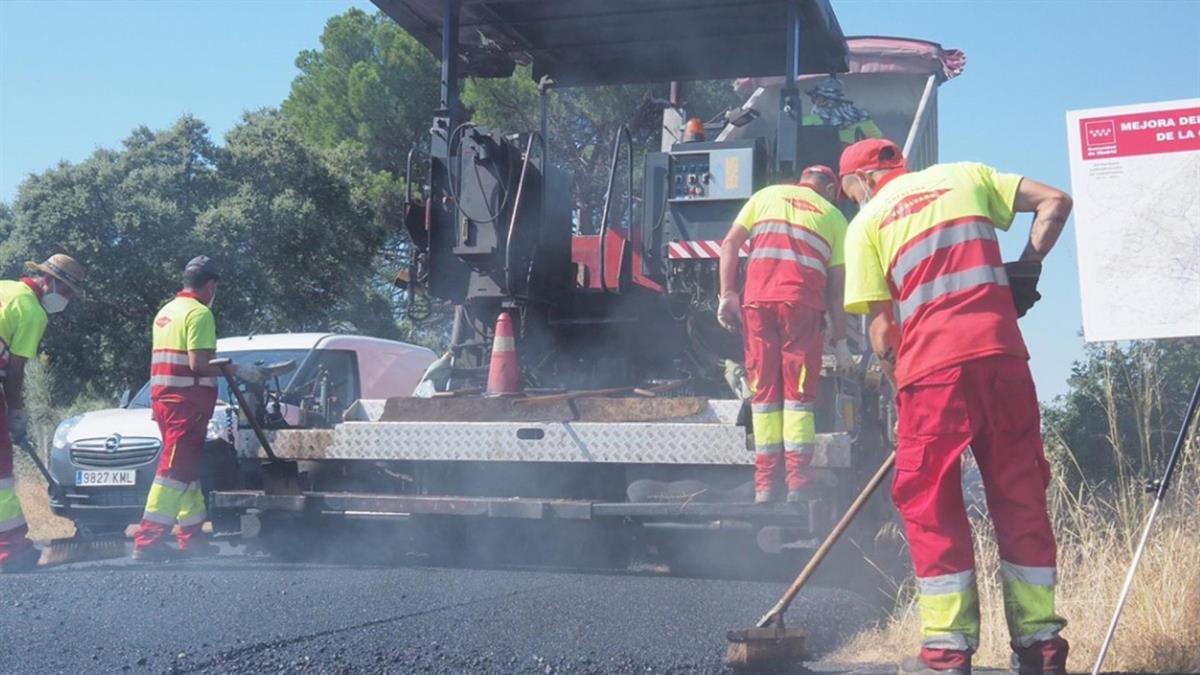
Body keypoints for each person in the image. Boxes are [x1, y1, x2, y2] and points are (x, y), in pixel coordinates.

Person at [838, 138, 1073, 675]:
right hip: (1003, 356)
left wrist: (902, 393)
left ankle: (948, 654)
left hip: (932, 373)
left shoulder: (868, 221)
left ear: (863, 181)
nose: (854, 201)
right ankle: (1041, 647)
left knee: (932, 503)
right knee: (1020, 495)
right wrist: (1027, 268)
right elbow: (1056, 201)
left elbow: (881, 332)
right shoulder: (966, 175)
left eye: (851, 191)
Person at [718, 165, 854, 503]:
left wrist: (727, 294)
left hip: (758, 304)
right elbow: (837, 292)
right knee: (798, 398)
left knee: (764, 396)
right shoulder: (835, 217)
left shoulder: (765, 196)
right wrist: (840, 343)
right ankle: (797, 483)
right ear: (830, 189)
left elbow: (730, 244)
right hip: (802, 309)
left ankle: (764, 485)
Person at [132, 256, 265, 562]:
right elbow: (198, 364)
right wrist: (238, 370)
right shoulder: (200, 313)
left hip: (165, 400)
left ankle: (191, 538)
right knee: (174, 470)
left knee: (188, 471)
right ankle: (148, 540)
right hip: (186, 404)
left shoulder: (166, 311)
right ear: (210, 285)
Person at [0, 254, 87, 573]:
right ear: (49, 281)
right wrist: (16, 414)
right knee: (1, 473)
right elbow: (15, 372)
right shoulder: (33, 311)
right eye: (65, 292)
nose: (65, 300)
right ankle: (10, 549)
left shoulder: (5, 289)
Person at [803, 76, 884, 145]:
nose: (816, 104)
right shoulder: (810, 121)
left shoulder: (863, 120)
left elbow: (881, 146)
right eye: (814, 100)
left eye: (819, 100)